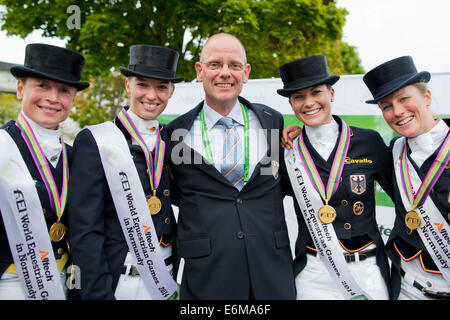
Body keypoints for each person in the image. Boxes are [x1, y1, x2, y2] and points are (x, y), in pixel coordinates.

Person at [166, 33, 296, 300]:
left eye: (234, 65)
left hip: (272, 275)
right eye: (215, 64)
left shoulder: (273, 122)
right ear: (199, 72)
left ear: (245, 72)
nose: (225, 73)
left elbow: (283, 183)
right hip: (208, 280)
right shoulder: (176, 133)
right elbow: (177, 193)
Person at [67, 45, 183, 300]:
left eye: (162, 87)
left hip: (163, 280)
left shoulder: (172, 141)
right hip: (116, 282)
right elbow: (84, 228)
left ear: (171, 91)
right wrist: (98, 293)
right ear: (128, 86)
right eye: (142, 84)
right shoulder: (97, 140)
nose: (152, 95)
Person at [280, 55, 393, 299]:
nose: (309, 103)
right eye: (299, 96)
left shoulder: (369, 142)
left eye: (316, 92)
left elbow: (404, 195)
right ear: (291, 104)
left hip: (367, 270)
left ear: (331, 93)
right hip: (313, 274)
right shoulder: (287, 151)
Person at [0, 43, 89, 299]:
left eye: (64, 91)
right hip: (9, 282)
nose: (53, 98)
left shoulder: (77, 158)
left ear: (73, 99)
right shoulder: (3, 146)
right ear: (20, 89)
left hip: (62, 281)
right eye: (42, 86)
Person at [363, 56, 450, 300]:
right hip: (406, 290)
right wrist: (295, 134)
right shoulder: (393, 150)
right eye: (386, 106)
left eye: (404, 98)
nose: (398, 112)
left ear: (427, 97)